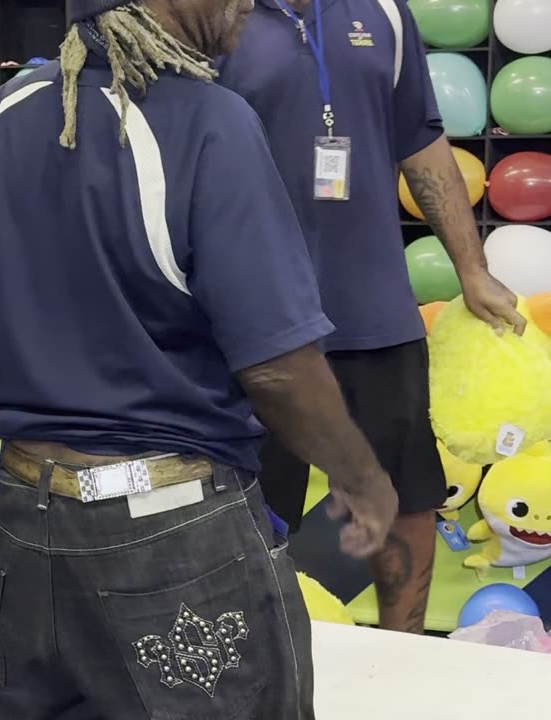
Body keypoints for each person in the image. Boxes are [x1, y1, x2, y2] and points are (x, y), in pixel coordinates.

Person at [0, 0, 400, 717]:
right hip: (173, 540)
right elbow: (275, 367)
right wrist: (363, 479)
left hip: (25, 527)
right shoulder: (211, 122)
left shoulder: (1, 114)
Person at [214, 0, 524, 634]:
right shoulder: (210, 12)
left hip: (375, 308)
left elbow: (422, 138)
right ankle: (248, 663)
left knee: (406, 499)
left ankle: (401, 656)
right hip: (255, 317)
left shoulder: (384, 10)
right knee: (240, 507)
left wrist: (471, 269)